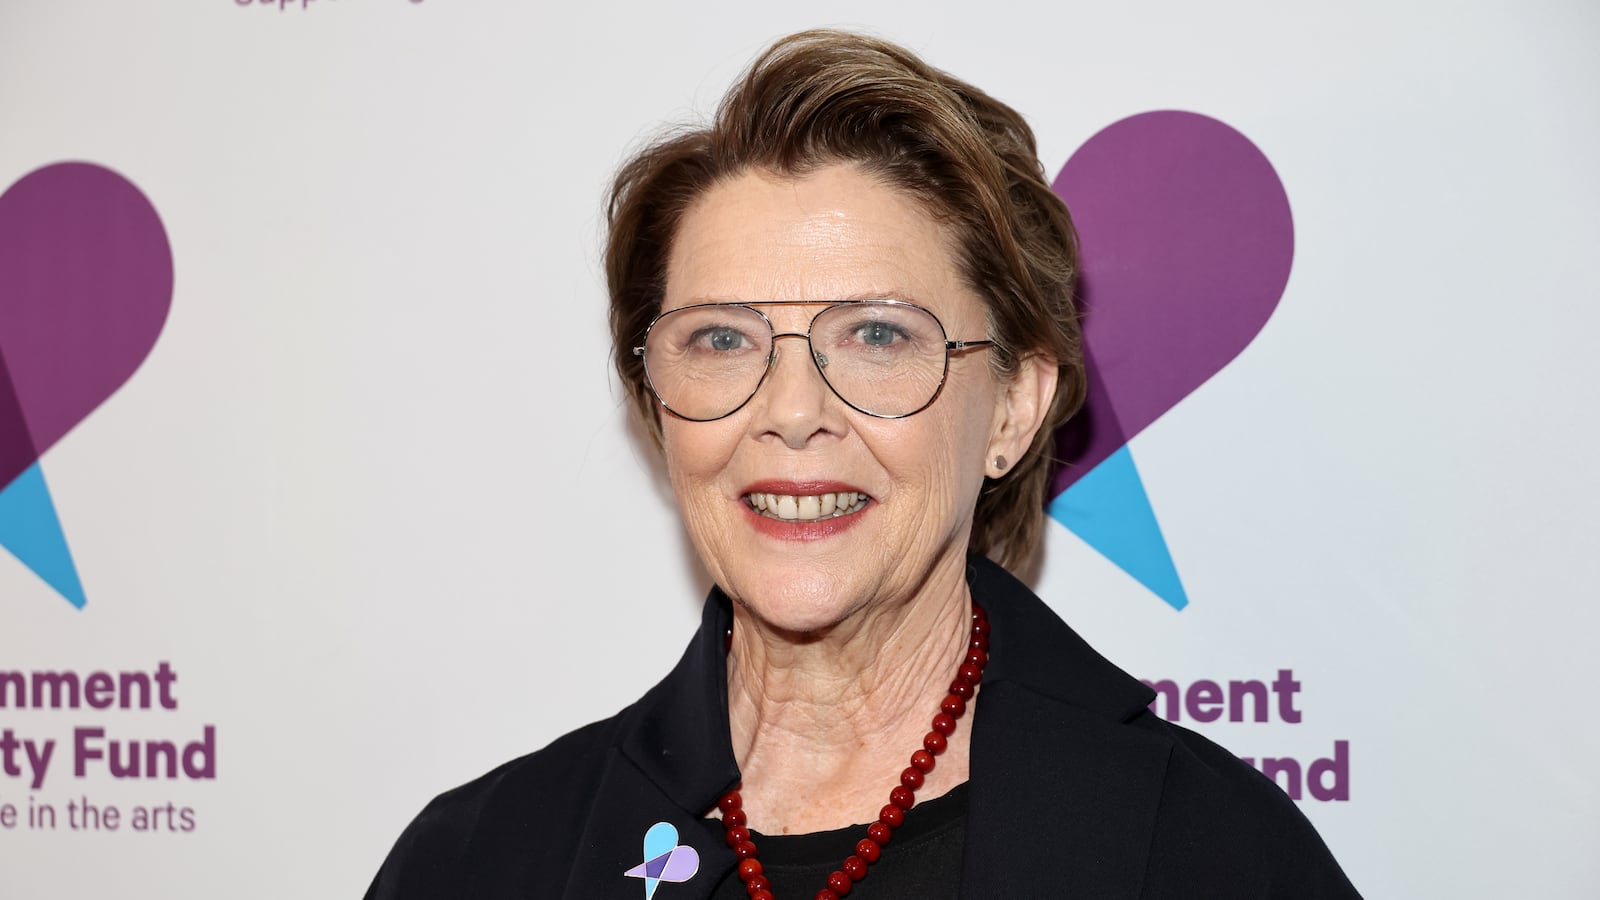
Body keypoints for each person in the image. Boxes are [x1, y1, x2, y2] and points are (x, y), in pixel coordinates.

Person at [365, 29, 1362, 899]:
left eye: (878, 337)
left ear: (1014, 404)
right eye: (720, 340)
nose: (790, 412)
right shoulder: (481, 860)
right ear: (656, 401)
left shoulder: (1210, 855)